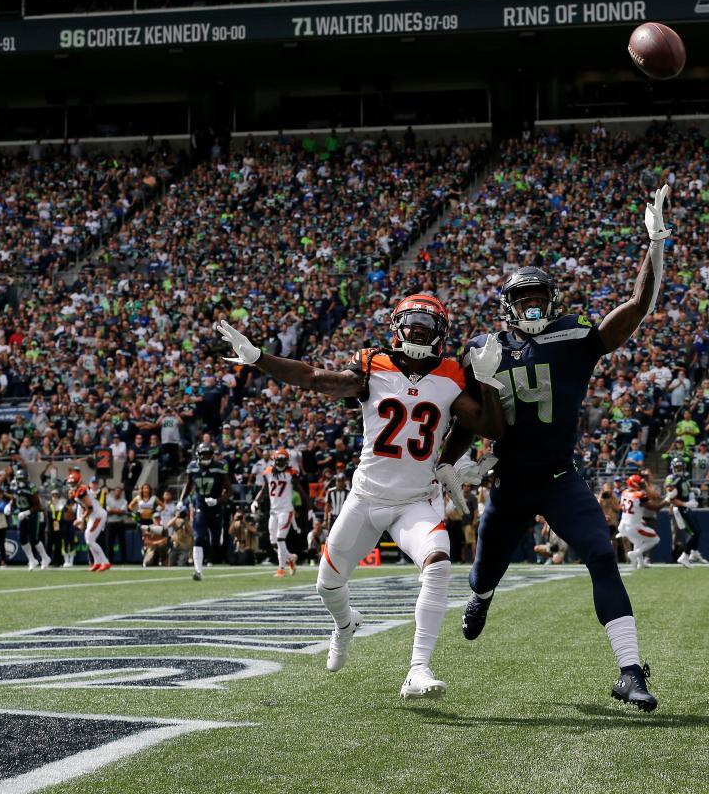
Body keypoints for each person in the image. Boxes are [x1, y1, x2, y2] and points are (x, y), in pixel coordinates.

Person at [438, 185, 672, 712]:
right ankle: (481, 596)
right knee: (484, 573)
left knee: (599, 554)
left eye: (540, 299)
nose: (534, 309)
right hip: (509, 481)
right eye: (524, 302)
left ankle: (631, 670)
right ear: (507, 307)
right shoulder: (483, 348)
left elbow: (637, 307)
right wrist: (450, 463)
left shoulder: (572, 336)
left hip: (559, 477)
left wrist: (655, 242)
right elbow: (468, 415)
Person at [215, 290, 505, 700]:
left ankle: (418, 669)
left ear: (439, 333)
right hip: (367, 497)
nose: (419, 331)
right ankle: (345, 624)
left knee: (439, 565)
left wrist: (490, 384)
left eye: (427, 325)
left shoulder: (452, 374)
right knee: (327, 584)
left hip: (416, 500)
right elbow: (314, 378)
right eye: (413, 324)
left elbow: (491, 428)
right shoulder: (374, 364)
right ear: (397, 328)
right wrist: (259, 357)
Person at [250, 448, 308, 578]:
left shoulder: (291, 473)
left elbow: (301, 491)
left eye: (283, 460)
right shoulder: (269, 472)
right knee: (273, 542)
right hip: (274, 511)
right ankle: (291, 558)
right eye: (279, 460)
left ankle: (281, 569)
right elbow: (265, 489)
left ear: (287, 461)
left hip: (286, 510)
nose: (281, 463)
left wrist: (309, 508)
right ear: (274, 460)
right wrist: (255, 501)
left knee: (281, 538)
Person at [180, 442, 231, 581]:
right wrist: (181, 500)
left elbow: (229, 489)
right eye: (204, 455)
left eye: (209, 454)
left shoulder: (219, 468)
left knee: (215, 542)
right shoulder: (192, 467)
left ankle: (213, 550)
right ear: (198, 455)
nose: (207, 457)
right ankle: (198, 571)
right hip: (200, 507)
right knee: (198, 537)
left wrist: (218, 500)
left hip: (216, 509)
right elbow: (189, 484)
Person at [68, 469, 112, 572]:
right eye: (71, 483)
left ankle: (105, 562)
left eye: (73, 482)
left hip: (97, 515)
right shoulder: (77, 490)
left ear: (78, 482)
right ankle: (97, 563)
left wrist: (81, 519)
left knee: (90, 540)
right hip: (93, 516)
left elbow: (90, 507)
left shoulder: (81, 490)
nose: (71, 485)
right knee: (88, 539)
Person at [619, 474, 665, 569]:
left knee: (638, 541)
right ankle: (635, 553)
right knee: (655, 539)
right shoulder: (639, 495)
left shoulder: (624, 492)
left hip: (624, 525)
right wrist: (667, 500)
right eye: (640, 483)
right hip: (634, 526)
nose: (641, 484)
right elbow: (656, 508)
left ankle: (640, 563)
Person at [666, 456, 705, 567]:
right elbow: (670, 494)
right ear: (673, 468)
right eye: (677, 467)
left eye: (680, 467)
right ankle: (685, 556)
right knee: (693, 532)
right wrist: (686, 504)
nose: (679, 469)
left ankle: (693, 553)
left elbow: (684, 489)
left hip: (686, 508)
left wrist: (693, 490)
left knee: (697, 531)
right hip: (679, 509)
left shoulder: (684, 478)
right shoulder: (671, 478)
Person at [7, 469, 50, 570]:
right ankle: (32, 560)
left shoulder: (31, 487)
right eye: (19, 479)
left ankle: (45, 558)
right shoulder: (13, 485)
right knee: (22, 538)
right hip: (21, 514)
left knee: (33, 539)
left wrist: (27, 512)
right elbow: (15, 498)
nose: (21, 481)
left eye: (23, 479)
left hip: (32, 515)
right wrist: (9, 506)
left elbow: (38, 506)